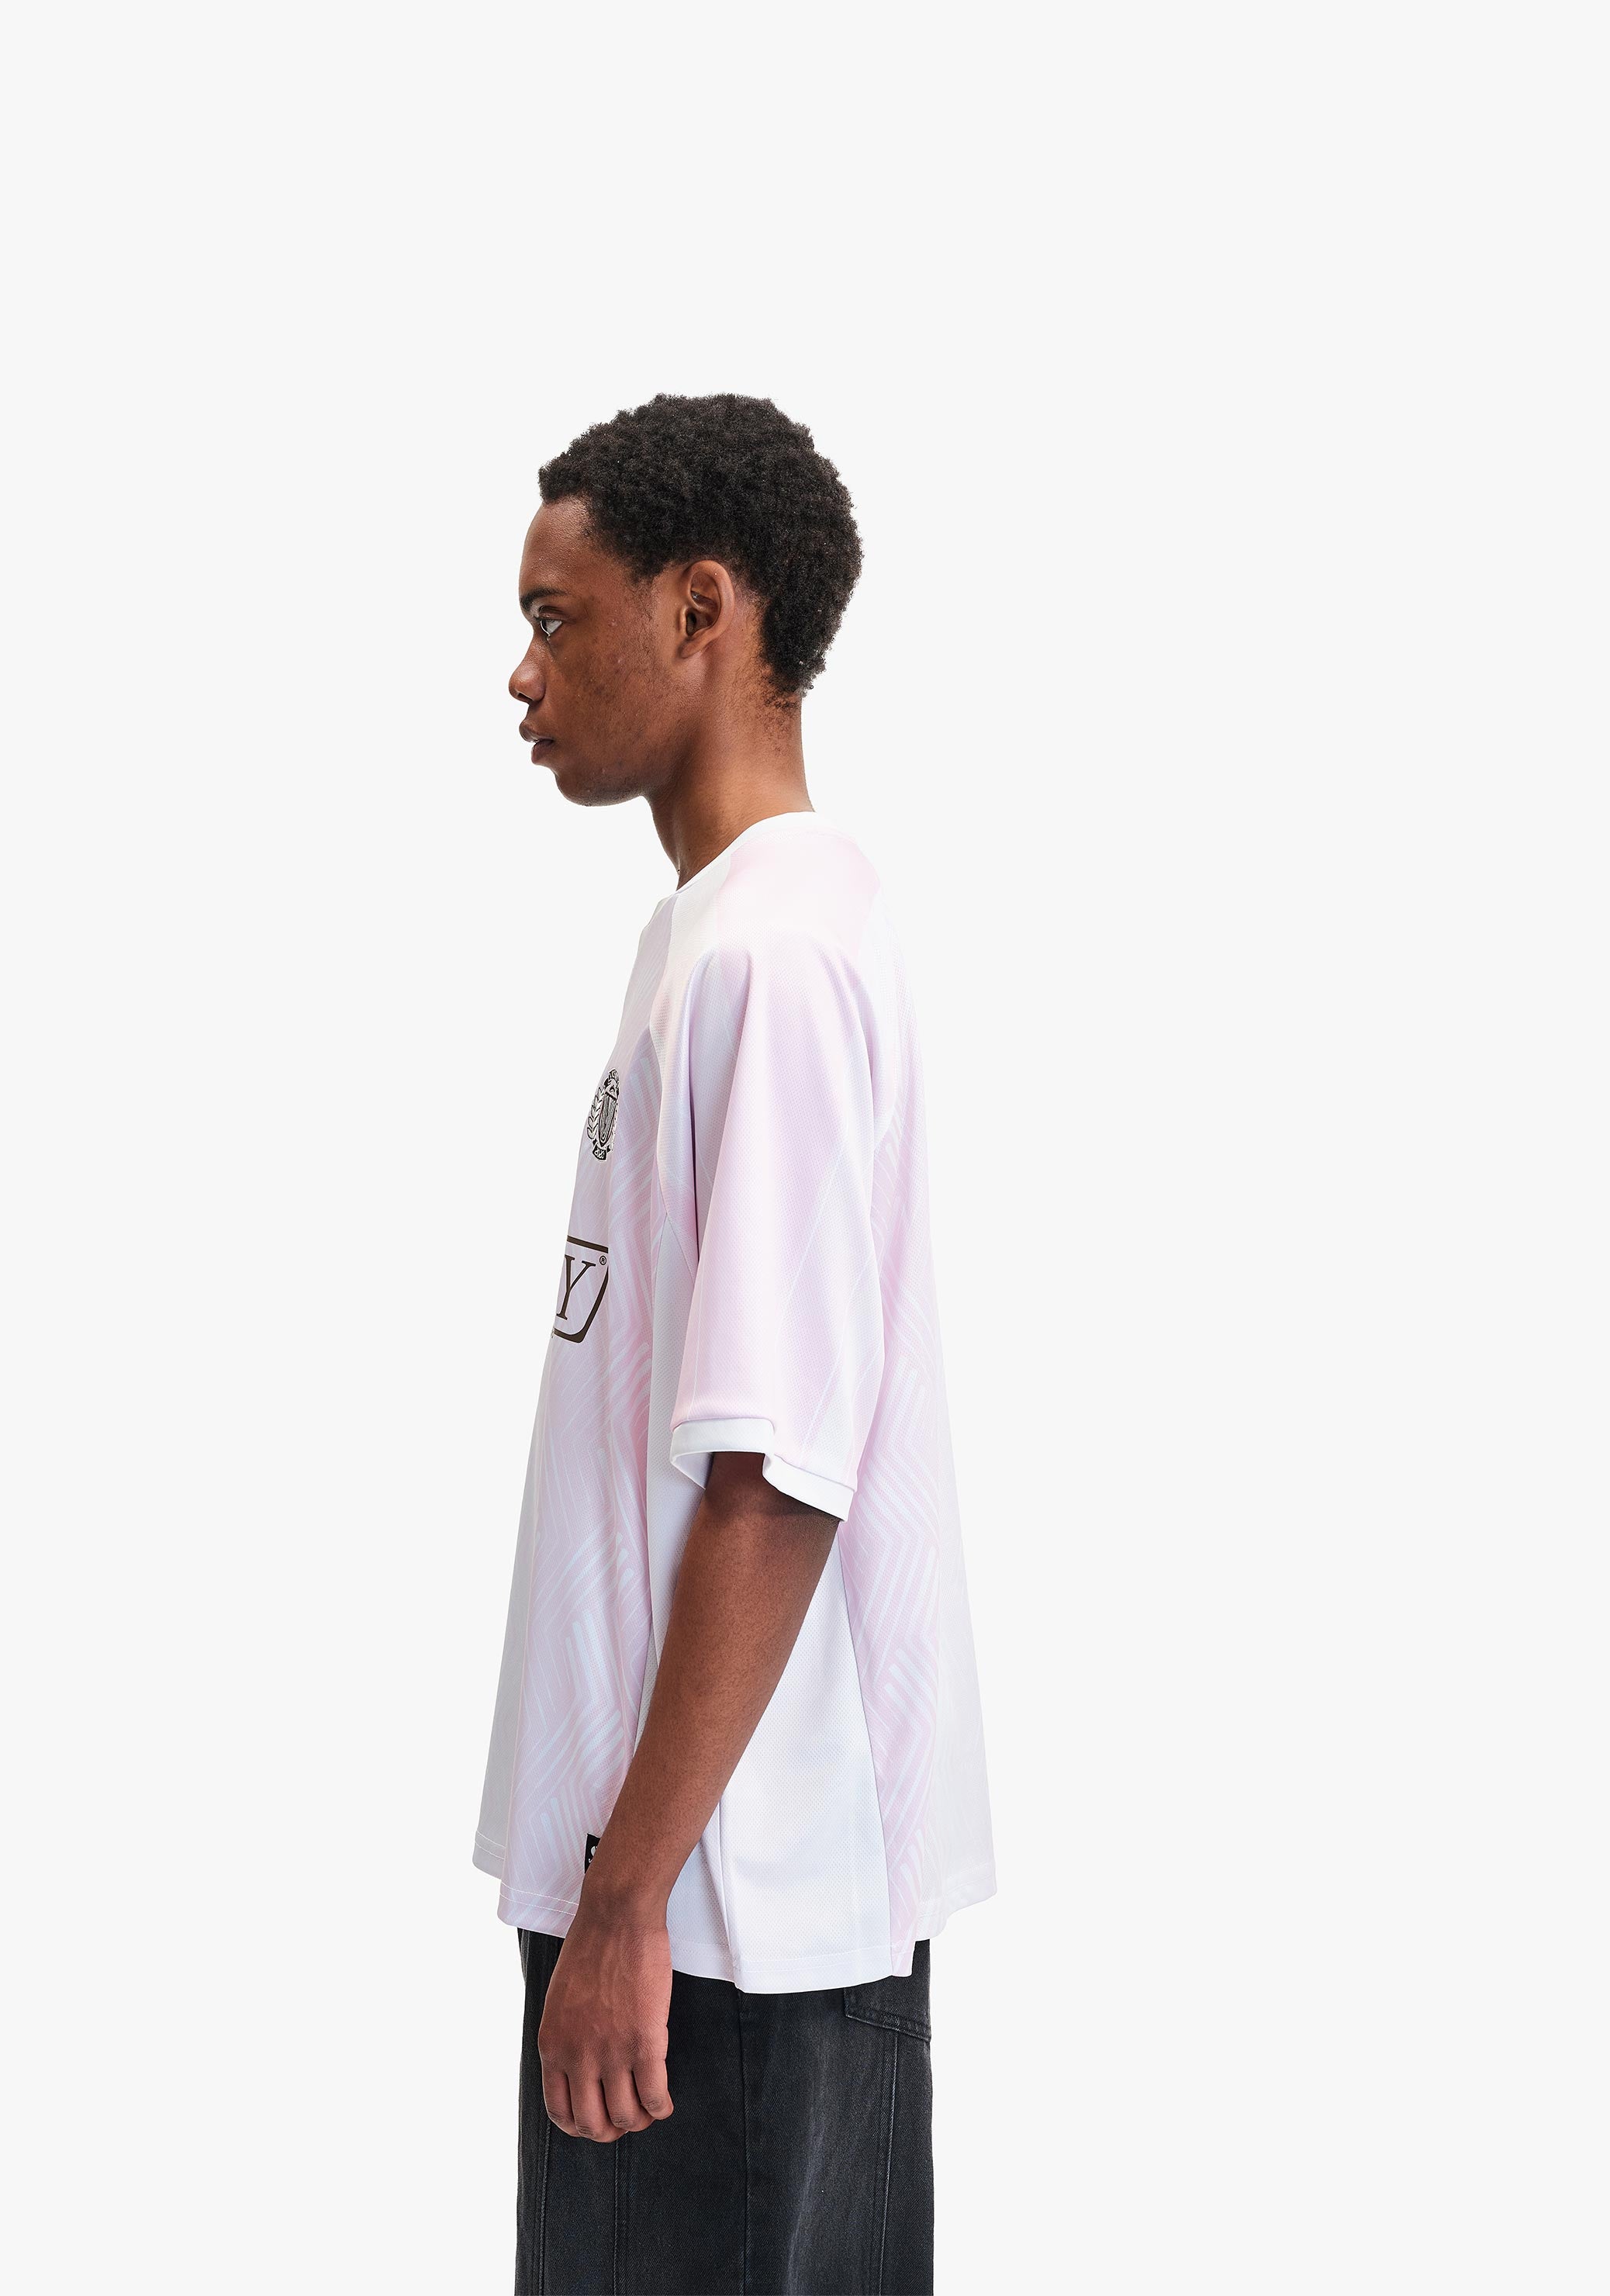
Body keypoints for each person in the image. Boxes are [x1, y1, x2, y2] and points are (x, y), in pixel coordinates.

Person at [475, 393, 995, 2294]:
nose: (521, 675)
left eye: (557, 618)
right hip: (692, 1905)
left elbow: (777, 1476)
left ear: (701, 609)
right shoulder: (720, 936)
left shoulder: (769, 957)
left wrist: (624, 1896)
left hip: (717, 1929)